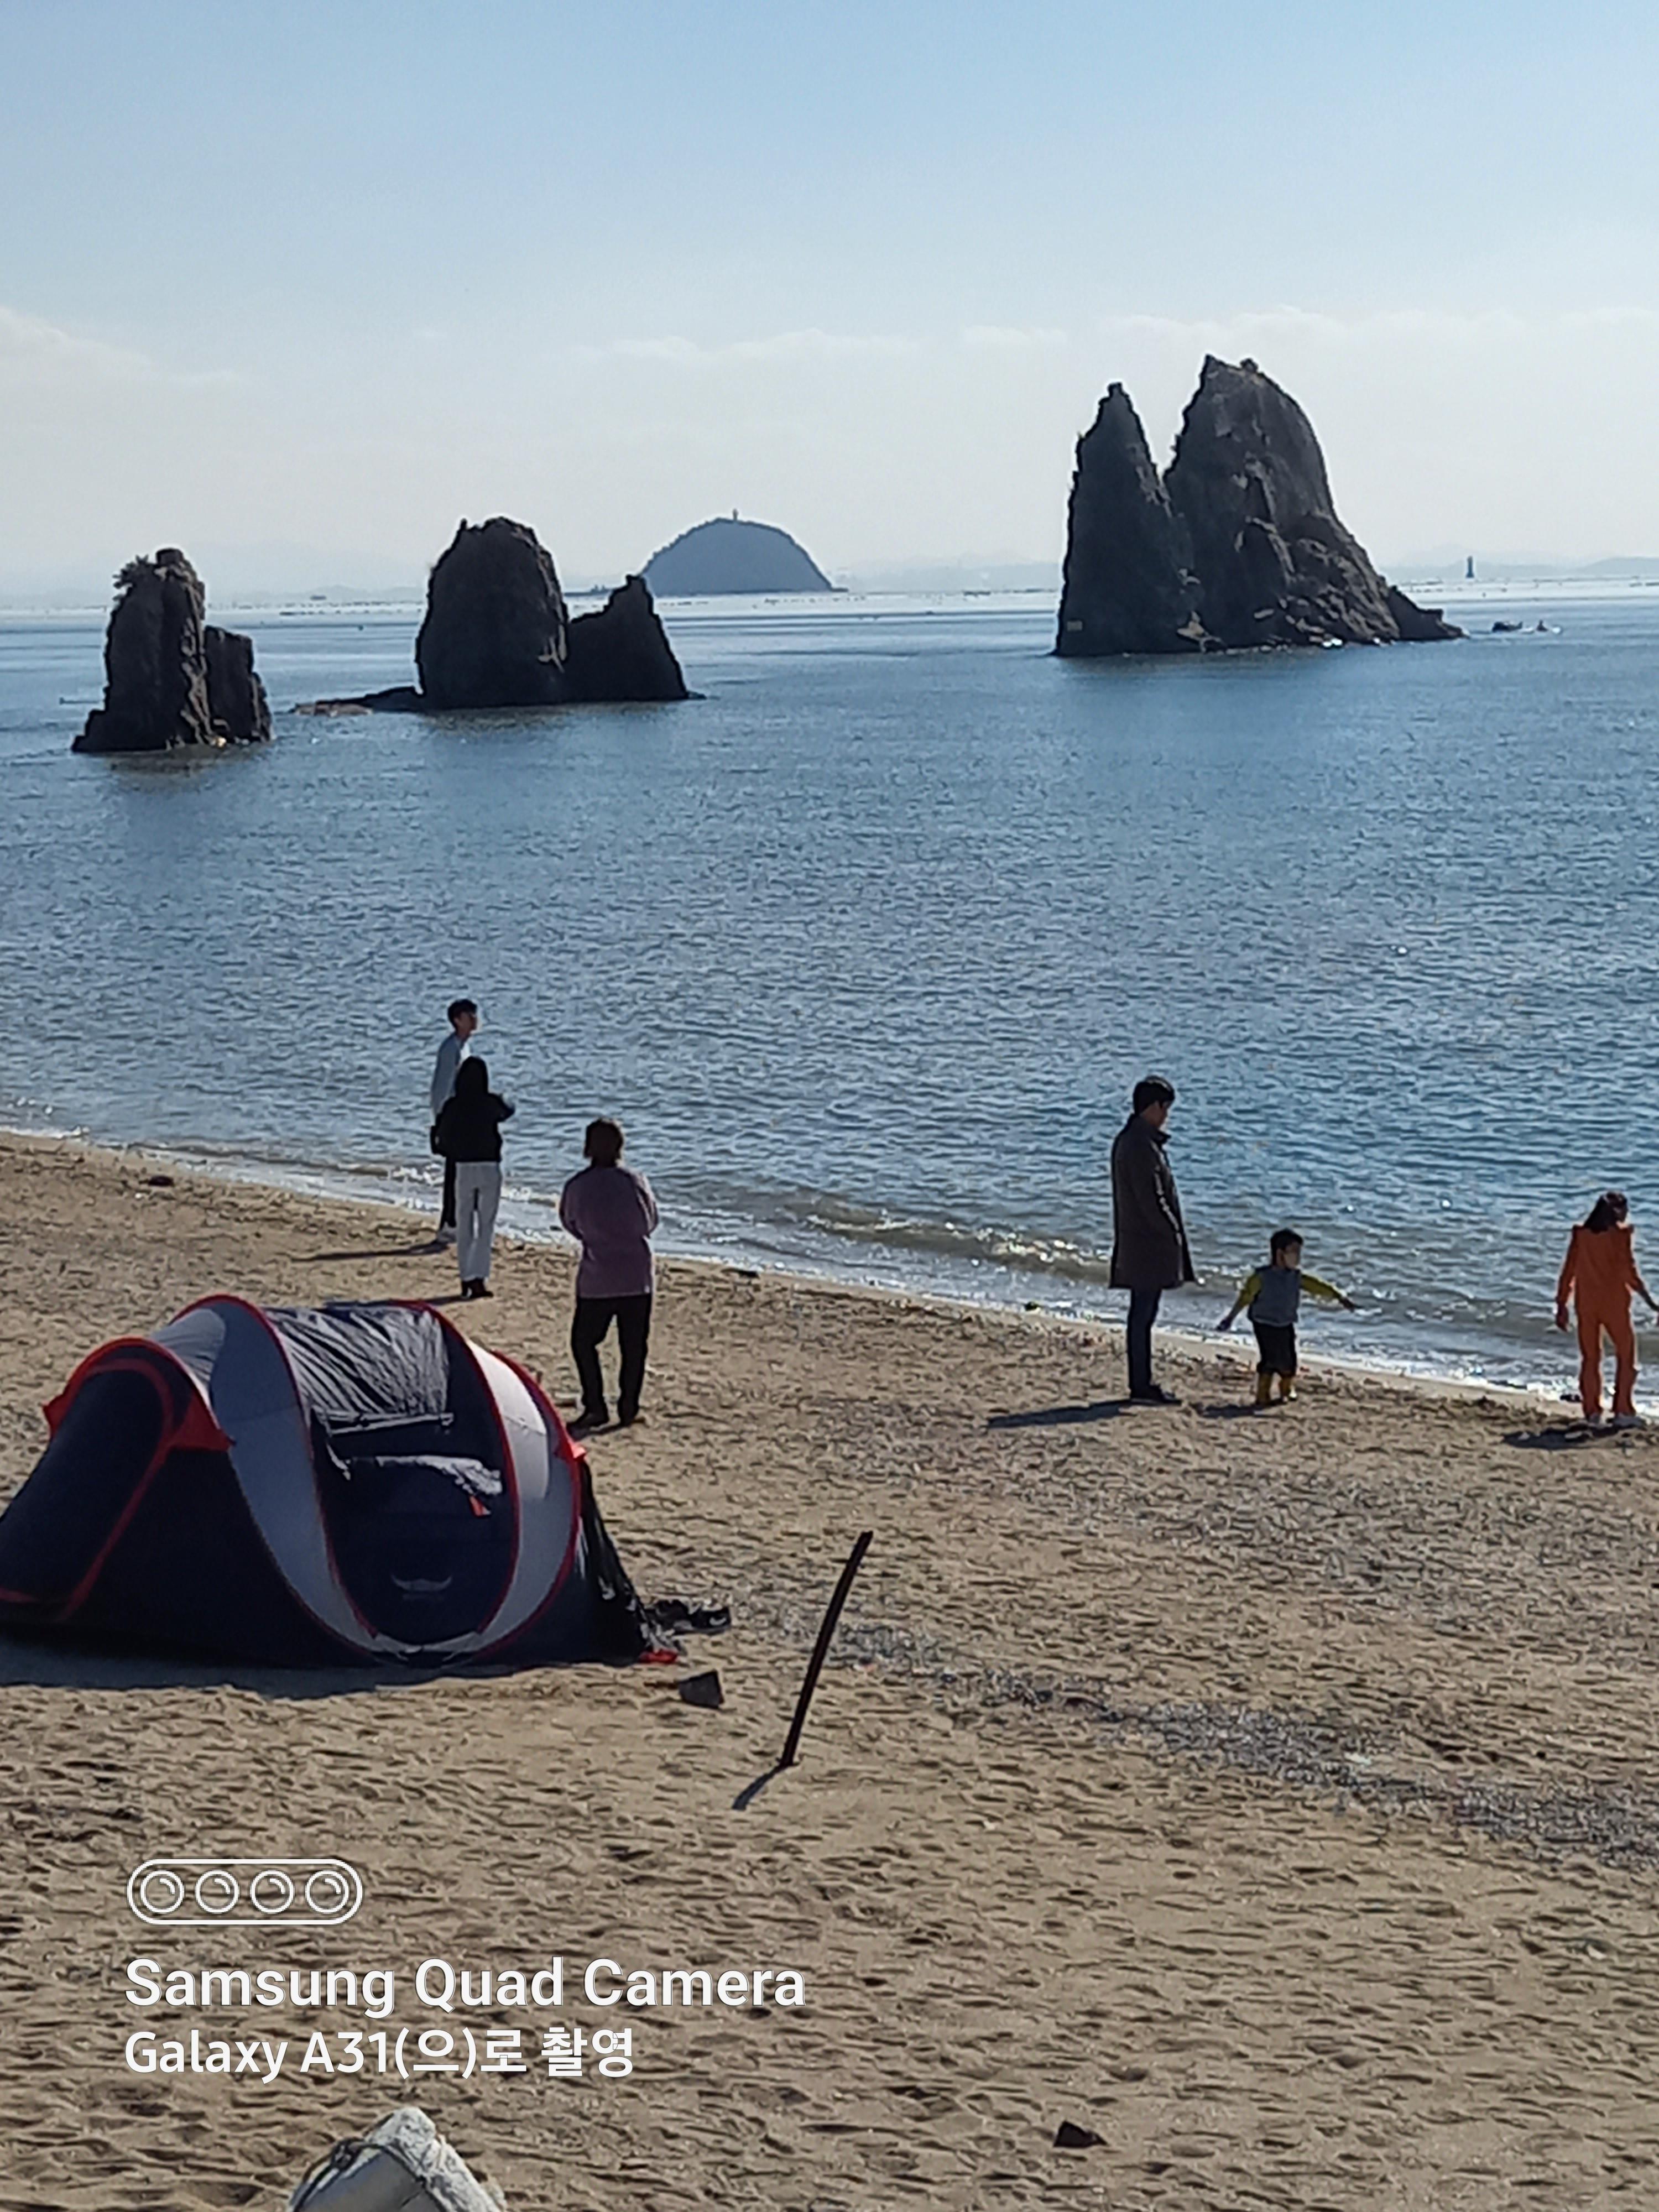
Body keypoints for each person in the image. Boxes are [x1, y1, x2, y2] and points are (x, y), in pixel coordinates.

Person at [559, 1119, 659, 1435]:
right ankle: (629, 1406)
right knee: (634, 1345)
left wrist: (595, 1234)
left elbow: (569, 1221)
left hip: (598, 1274)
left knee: (584, 1342)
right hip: (636, 1275)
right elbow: (651, 1221)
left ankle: (595, 1405)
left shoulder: (578, 1186)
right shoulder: (635, 1181)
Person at [1109, 1074, 1194, 1404]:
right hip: (1146, 1243)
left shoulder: (1137, 1141)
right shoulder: (1139, 1146)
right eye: (1165, 1108)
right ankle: (1141, 1385)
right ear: (1152, 1107)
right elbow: (1152, 1199)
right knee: (1143, 1315)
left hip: (1141, 1240)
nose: (1166, 1115)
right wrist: (1171, 1231)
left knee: (1143, 1314)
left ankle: (1141, 1382)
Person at [1217, 1227, 1357, 1406]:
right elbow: (1245, 1298)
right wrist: (1230, 1318)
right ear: (1279, 1253)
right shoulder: (1261, 1277)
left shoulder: (1296, 1277)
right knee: (1269, 1359)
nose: (1297, 1257)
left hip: (1285, 1323)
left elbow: (1318, 1286)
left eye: (1299, 1252)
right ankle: (1262, 1393)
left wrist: (1339, 1297)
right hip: (1263, 1323)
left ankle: (1286, 1387)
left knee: (1289, 1361)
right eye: (1294, 1252)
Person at [1555, 1191, 1658, 1428]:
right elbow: (1628, 1272)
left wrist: (1562, 1303)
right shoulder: (1620, 1236)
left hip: (1586, 1304)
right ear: (1618, 1211)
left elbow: (1569, 1271)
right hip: (1614, 1304)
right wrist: (1650, 1301)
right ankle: (1622, 1409)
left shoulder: (1581, 1235)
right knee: (1626, 1355)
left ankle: (1592, 1411)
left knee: (1591, 1358)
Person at [432, 1057, 513, 1300]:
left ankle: (466, 1277)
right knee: (486, 1225)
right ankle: (479, 1277)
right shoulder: (490, 1103)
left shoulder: (453, 1105)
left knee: (464, 1222)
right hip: (489, 1166)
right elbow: (509, 1109)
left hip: (463, 1166)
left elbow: (442, 1133)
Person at [429, 998, 478, 1250]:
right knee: (455, 1174)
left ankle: (456, 1222)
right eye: (470, 1015)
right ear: (458, 1020)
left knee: (462, 1172)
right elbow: (442, 1087)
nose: (475, 1020)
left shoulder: (464, 1046)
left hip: (462, 1118)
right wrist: (442, 1122)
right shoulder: (451, 1049)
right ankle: (449, 1225)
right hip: (453, 1119)